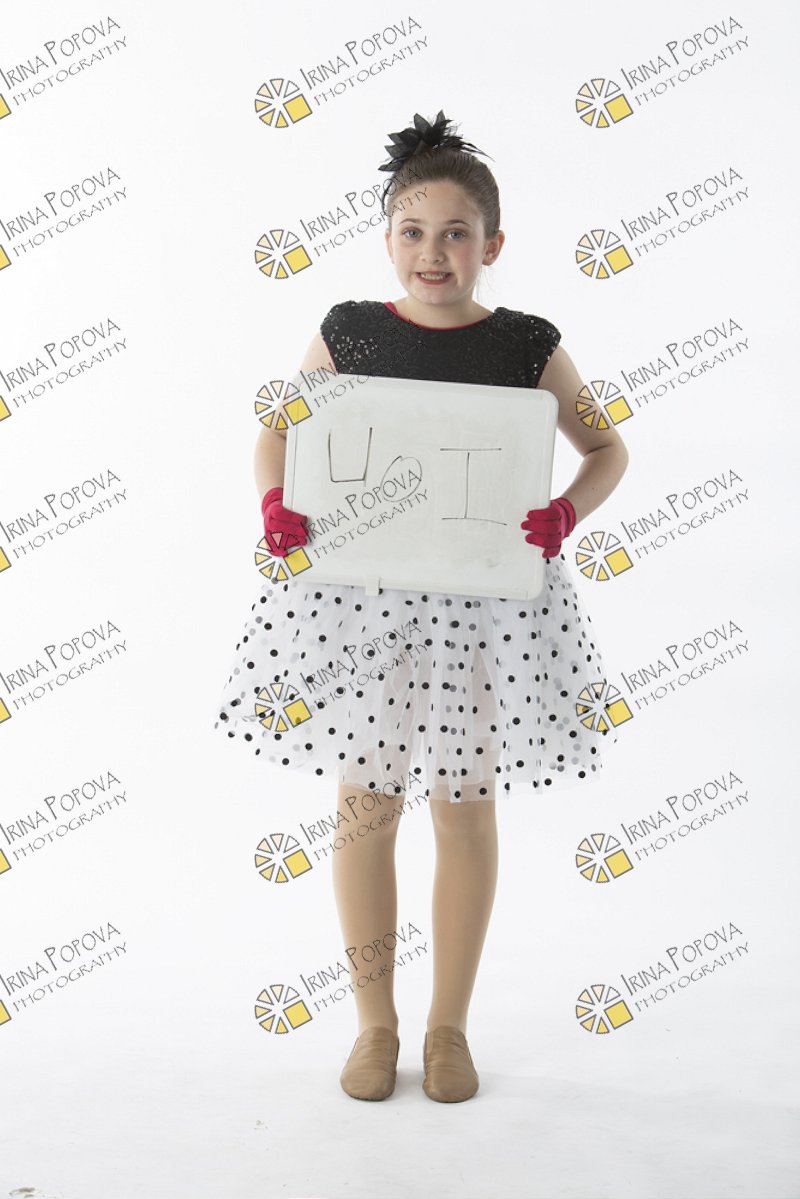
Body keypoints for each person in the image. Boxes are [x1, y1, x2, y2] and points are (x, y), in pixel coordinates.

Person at [214, 110, 629, 1103]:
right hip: (365, 601)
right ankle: (374, 1023)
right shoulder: (350, 328)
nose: (432, 252)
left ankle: (448, 1028)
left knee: (463, 806)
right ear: (387, 239)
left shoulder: (526, 343)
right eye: (412, 231)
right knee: (365, 805)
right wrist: (275, 502)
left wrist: (566, 512)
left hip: (486, 607)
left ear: (493, 244)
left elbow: (606, 447)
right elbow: (277, 431)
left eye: (454, 233)